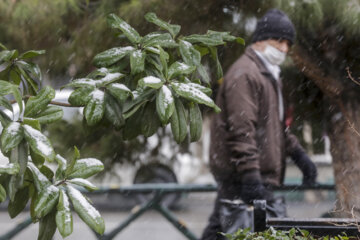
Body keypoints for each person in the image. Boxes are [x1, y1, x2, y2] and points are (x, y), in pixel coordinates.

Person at [201, 9, 318, 240]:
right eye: (278, 40)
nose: (284, 48)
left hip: (252, 177)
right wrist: (251, 176)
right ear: (260, 40)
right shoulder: (246, 74)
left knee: (225, 230)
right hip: (242, 178)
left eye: (288, 43)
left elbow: (274, 128)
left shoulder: (267, 74)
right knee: (228, 230)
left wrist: (299, 156)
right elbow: (241, 130)